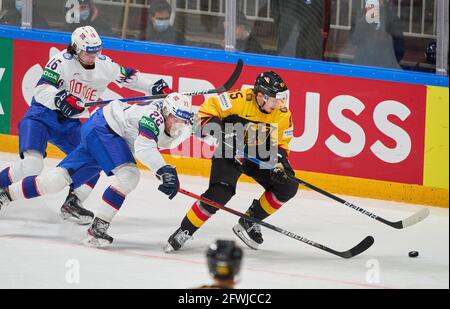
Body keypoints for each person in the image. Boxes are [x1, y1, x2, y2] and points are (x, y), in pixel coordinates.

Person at [0, 25, 172, 225]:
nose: (93, 55)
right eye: (87, 51)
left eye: (96, 50)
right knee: (32, 165)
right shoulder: (60, 62)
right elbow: (41, 90)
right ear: (75, 48)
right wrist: (60, 98)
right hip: (41, 117)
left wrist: (153, 86)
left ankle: (73, 202)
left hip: (70, 124)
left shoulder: (104, 64)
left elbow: (128, 77)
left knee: (95, 157)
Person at [0, 92, 193, 248]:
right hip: (105, 130)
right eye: (175, 119)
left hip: (100, 128)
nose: (178, 124)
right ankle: (97, 229)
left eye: (183, 121)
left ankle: (6, 196)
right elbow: (144, 148)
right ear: (166, 112)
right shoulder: (152, 117)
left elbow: (204, 127)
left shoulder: (182, 123)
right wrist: (164, 170)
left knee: (56, 181)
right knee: (129, 175)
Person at [164, 71, 299, 252]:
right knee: (220, 193)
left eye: (280, 100)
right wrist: (223, 134)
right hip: (229, 149)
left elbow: (282, 144)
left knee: (288, 185)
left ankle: (250, 220)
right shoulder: (237, 99)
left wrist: (279, 163)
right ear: (261, 96)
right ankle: (185, 230)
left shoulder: (282, 113)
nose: (279, 104)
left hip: (258, 150)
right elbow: (204, 114)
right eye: (275, 100)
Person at [350, 0, 404, 69]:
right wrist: (363, 23)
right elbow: (354, 39)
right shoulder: (361, 16)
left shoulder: (390, 17)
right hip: (362, 66)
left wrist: (387, 61)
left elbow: (399, 49)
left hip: (383, 68)